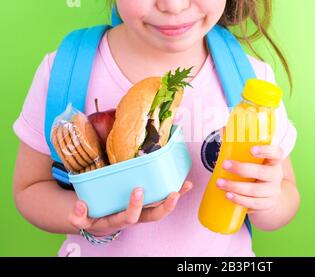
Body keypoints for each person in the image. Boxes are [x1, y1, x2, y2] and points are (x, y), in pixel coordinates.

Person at [12, 0, 299, 257]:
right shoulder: (65, 73)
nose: (173, 6)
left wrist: (268, 201)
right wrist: (89, 219)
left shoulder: (251, 84)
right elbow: (30, 189)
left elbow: (286, 196)